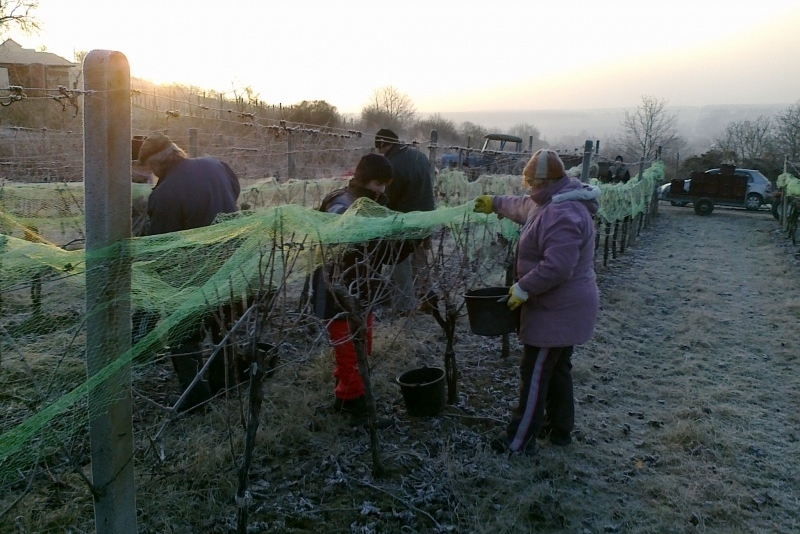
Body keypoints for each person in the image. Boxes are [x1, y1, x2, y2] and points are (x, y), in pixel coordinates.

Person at [473, 149, 600, 455]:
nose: (527, 188)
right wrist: (495, 203)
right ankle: (559, 430)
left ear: (543, 182)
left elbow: (558, 266)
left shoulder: (563, 213)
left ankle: (519, 441)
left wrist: (523, 289)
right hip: (563, 307)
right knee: (557, 369)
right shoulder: (551, 200)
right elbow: (523, 206)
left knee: (535, 372)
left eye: (530, 183)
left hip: (556, 309)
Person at [137, 131, 242, 413]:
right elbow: (234, 190)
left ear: (157, 164)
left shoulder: (165, 194)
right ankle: (225, 385)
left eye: (150, 168)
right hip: (231, 263)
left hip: (191, 275)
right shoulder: (215, 165)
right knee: (224, 330)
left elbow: (163, 245)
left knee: (184, 336)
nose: (151, 174)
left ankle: (196, 402)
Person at [311, 153, 406, 425]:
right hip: (337, 292)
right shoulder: (341, 205)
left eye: (386, 185)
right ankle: (350, 403)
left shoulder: (366, 203)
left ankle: (347, 382)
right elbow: (339, 239)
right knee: (350, 346)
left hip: (360, 289)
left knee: (362, 343)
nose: (383, 191)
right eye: (379, 184)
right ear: (364, 179)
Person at [374, 128, 436, 313]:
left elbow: (389, 198)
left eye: (380, 148)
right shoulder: (418, 155)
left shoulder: (391, 164)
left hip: (404, 221)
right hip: (425, 217)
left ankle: (403, 307)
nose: (380, 153)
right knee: (420, 259)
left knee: (400, 263)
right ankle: (428, 298)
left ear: (385, 144)